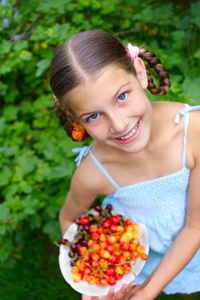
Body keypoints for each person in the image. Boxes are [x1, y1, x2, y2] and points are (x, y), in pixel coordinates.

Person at [49, 30, 200, 299]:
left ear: (140, 72)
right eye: (93, 115)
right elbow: (67, 218)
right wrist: (96, 274)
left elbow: (195, 227)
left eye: (121, 97)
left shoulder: (195, 133)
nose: (119, 125)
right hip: (142, 256)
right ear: (75, 119)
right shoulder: (93, 172)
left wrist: (149, 291)